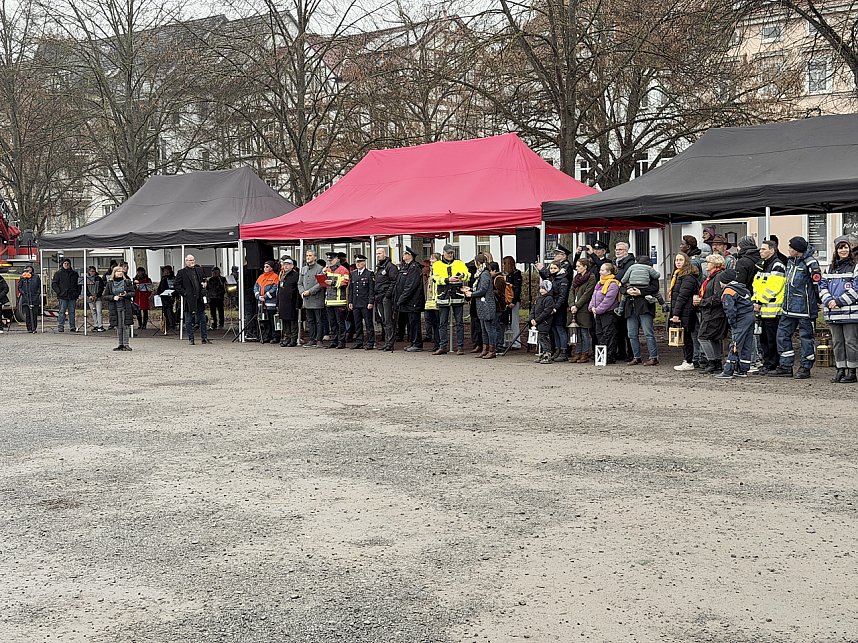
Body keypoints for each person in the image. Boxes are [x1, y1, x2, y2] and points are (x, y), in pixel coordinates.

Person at [770, 236, 821, 379]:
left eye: (791, 247)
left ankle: (805, 367)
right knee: (782, 335)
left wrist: (817, 301)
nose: (789, 249)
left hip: (805, 309)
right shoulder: (790, 261)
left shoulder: (811, 263)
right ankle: (786, 366)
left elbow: (817, 285)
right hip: (788, 308)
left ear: (797, 250)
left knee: (806, 338)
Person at [818, 236, 858, 383]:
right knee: (838, 342)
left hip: (850, 313)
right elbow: (822, 286)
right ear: (836, 250)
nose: (843, 250)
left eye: (846, 247)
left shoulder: (855, 266)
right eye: (841, 247)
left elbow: (856, 289)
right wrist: (829, 300)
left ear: (850, 248)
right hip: (833, 312)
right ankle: (840, 369)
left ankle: (852, 371)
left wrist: (839, 301)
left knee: (851, 342)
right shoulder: (829, 268)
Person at [751, 240, 786, 374]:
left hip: (772, 310)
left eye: (763, 249)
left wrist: (759, 301)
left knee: (772, 340)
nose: (760, 251)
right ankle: (767, 363)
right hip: (762, 309)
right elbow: (757, 285)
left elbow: (774, 288)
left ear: (772, 250)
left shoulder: (777, 265)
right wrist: (755, 301)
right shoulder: (763, 265)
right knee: (764, 339)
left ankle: (772, 364)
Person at [714, 269, 755, 379]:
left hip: (740, 319)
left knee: (735, 343)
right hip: (750, 317)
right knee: (746, 343)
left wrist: (732, 323)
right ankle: (743, 369)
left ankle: (728, 370)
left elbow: (730, 309)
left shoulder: (728, 291)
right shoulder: (743, 289)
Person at [432, 244, 469, 356]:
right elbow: (435, 278)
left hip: (457, 295)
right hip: (444, 296)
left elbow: (467, 275)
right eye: (448, 253)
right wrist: (447, 280)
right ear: (443, 253)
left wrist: (462, 275)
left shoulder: (459, 263)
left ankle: (460, 347)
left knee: (459, 323)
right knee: (442, 323)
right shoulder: (437, 264)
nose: (450, 255)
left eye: (451, 253)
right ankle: (443, 346)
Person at [622, 259, 660, 366]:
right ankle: (636, 357)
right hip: (630, 305)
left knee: (648, 333)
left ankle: (653, 357)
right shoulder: (630, 271)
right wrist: (626, 291)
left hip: (645, 305)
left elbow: (655, 288)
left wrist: (641, 292)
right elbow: (621, 285)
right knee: (632, 334)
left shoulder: (650, 273)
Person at [537, 245, 572, 360]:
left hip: (558, 307)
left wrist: (556, 307)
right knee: (554, 328)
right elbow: (547, 282)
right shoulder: (554, 277)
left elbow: (562, 296)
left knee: (560, 328)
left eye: (554, 269)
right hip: (552, 306)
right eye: (550, 268)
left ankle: (563, 351)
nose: (552, 271)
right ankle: (557, 349)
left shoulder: (563, 277)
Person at [696, 254, 728, 374]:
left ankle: (712, 361)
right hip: (710, 312)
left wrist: (702, 302)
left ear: (715, 264)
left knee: (703, 337)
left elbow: (718, 296)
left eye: (708, 262)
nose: (706, 264)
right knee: (713, 338)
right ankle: (716, 362)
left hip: (714, 313)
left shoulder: (718, 276)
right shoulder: (711, 276)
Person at [668, 252, 699, 371]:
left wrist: (676, 314)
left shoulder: (688, 277)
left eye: (681, 260)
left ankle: (689, 360)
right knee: (685, 336)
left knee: (687, 336)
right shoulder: (677, 275)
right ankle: (688, 359)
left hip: (686, 311)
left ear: (686, 261)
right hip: (681, 309)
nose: (678, 262)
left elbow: (682, 296)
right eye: (676, 260)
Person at [464, 253, 497, 359]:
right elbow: (480, 288)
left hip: (487, 305)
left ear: (477, 263)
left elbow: (483, 290)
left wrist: (472, 294)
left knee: (489, 329)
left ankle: (492, 350)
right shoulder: (481, 274)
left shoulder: (485, 274)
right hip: (482, 306)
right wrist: (470, 290)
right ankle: (485, 349)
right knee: (483, 328)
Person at [393, 246, 425, 351]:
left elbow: (410, 286)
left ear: (410, 255)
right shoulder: (405, 267)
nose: (403, 255)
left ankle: (417, 343)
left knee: (414, 322)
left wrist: (401, 298)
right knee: (410, 323)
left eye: (405, 254)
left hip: (413, 300)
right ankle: (413, 342)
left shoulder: (414, 268)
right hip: (407, 301)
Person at [174, 254, 211, 345]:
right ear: (186, 261)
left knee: (202, 318)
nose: (192, 262)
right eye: (190, 260)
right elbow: (176, 285)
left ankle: (204, 338)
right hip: (189, 299)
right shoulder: (181, 272)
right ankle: (191, 338)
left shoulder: (199, 270)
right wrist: (185, 293)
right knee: (188, 319)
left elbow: (203, 280)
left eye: (193, 260)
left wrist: (205, 284)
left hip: (199, 298)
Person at [589, 262, 621, 364]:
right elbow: (594, 296)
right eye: (600, 270)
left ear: (609, 272)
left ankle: (610, 355)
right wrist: (591, 307)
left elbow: (608, 300)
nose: (600, 272)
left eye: (603, 270)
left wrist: (598, 309)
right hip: (598, 312)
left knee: (609, 334)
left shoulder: (613, 284)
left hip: (608, 312)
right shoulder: (599, 283)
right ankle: (602, 355)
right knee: (599, 334)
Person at [568, 257, 596, 363]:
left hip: (583, 308)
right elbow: (571, 290)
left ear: (585, 267)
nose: (577, 268)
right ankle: (577, 352)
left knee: (584, 331)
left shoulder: (591, 277)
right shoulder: (576, 277)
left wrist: (577, 305)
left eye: (579, 266)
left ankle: (585, 353)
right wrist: (571, 304)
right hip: (574, 307)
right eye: (577, 266)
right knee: (577, 331)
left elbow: (587, 293)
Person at [322, 251, 350, 349]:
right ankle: (334, 341)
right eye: (329, 260)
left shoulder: (343, 270)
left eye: (331, 260)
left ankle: (341, 342)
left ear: (337, 259)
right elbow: (323, 282)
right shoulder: (328, 269)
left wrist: (333, 283)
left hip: (339, 301)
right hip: (329, 300)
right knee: (332, 323)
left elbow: (345, 283)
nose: (330, 262)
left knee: (340, 323)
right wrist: (323, 274)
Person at [103, 265, 134, 351]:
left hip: (125, 306)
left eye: (121, 271)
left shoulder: (127, 282)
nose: (120, 273)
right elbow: (105, 296)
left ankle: (126, 344)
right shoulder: (110, 283)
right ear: (114, 273)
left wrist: (126, 294)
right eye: (118, 271)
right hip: (115, 307)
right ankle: (120, 344)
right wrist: (113, 297)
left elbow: (133, 293)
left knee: (125, 326)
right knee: (118, 326)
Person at [348, 253, 375, 350]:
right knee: (357, 323)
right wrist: (350, 302)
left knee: (368, 323)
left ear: (364, 262)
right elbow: (351, 289)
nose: (358, 264)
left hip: (365, 302)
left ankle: (370, 342)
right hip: (356, 302)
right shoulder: (354, 274)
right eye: (357, 262)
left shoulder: (369, 274)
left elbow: (371, 289)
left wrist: (371, 301)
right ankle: (359, 341)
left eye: (360, 262)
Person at [374, 246, 399, 352]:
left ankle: (390, 343)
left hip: (386, 297)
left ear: (385, 254)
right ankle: (387, 342)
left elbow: (394, 282)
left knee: (388, 321)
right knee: (384, 320)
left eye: (380, 253)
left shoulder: (390, 267)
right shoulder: (380, 267)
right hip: (380, 296)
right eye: (377, 254)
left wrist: (388, 295)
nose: (378, 255)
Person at [613, 242, 634, 361]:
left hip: (626, 298)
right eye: (616, 249)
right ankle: (621, 352)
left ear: (626, 251)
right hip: (616, 297)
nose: (618, 251)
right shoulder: (615, 262)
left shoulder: (629, 263)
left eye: (620, 249)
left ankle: (631, 353)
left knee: (627, 329)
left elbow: (620, 276)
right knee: (618, 328)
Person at [299, 250, 325, 347]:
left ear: (315, 257)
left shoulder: (320, 269)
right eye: (307, 255)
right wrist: (302, 292)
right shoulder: (303, 269)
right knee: (310, 320)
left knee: (318, 320)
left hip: (317, 299)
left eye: (310, 255)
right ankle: (312, 338)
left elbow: (321, 283)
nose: (308, 257)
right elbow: (299, 283)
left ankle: (319, 339)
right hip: (306, 299)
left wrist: (310, 291)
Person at [253, 260, 279, 343]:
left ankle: (275, 336)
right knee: (264, 321)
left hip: (271, 302)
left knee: (272, 320)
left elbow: (275, 288)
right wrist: (258, 296)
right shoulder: (261, 277)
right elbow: (256, 287)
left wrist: (265, 296)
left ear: (271, 268)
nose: (265, 268)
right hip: (261, 303)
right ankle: (266, 336)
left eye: (267, 267)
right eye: (264, 266)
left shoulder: (275, 277)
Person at [52, 258, 80, 332]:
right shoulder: (58, 273)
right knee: (62, 312)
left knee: (72, 312)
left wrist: (77, 293)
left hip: (72, 296)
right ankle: (60, 326)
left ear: (70, 264)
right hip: (62, 296)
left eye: (68, 264)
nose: (66, 265)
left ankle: (72, 326)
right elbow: (54, 284)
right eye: (65, 263)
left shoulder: (75, 274)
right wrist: (59, 292)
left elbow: (79, 285)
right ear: (62, 264)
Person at [277, 256, 300, 347]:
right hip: (283, 302)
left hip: (292, 301)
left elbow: (297, 290)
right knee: (285, 321)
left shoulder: (295, 275)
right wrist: (277, 302)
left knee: (292, 321)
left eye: (288, 264)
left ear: (292, 266)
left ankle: (293, 339)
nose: (286, 266)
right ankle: (287, 337)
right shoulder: (282, 275)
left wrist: (298, 303)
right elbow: (279, 290)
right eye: (284, 264)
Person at [530, 280, 555, 364]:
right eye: (540, 288)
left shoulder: (549, 299)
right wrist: (531, 318)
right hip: (537, 321)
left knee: (543, 338)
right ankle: (544, 353)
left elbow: (546, 312)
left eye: (543, 288)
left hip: (544, 322)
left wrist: (537, 320)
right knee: (540, 338)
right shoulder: (538, 298)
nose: (541, 290)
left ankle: (547, 354)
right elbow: (533, 309)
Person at [501, 256, 522, 350]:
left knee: (514, 322)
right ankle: (507, 341)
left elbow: (517, 289)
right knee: (506, 321)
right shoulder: (504, 275)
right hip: (506, 301)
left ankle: (516, 342)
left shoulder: (516, 274)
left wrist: (513, 301)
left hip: (513, 301)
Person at [423, 254, 440, 352]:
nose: (430, 260)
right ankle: (436, 344)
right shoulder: (431, 270)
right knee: (433, 323)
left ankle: (439, 344)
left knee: (438, 324)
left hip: (436, 300)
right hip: (430, 301)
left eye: (433, 258)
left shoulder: (438, 270)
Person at [17, 265, 40, 333]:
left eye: (29, 269)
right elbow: (19, 286)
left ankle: (34, 328)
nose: (28, 270)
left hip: (34, 297)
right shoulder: (23, 277)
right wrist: (23, 293)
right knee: (28, 314)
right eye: (27, 269)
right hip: (26, 298)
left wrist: (37, 294)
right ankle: (29, 328)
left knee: (34, 314)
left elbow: (39, 286)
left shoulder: (36, 277)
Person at [156, 266, 177, 331]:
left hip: (169, 296)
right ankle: (167, 324)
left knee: (169, 310)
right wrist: (158, 293)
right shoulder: (163, 278)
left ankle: (171, 324)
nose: (164, 272)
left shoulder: (172, 278)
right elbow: (160, 288)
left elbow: (173, 287)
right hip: (163, 296)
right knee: (165, 311)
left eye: (165, 271)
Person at [85, 266, 105, 332]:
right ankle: (95, 325)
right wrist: (89, 295)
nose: (92, 272)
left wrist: (97, 295)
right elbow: (86, 289)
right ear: (89, 272)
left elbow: (101, 288)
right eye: (91, 271)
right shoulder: (86, 279)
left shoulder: (99, 278)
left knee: (99, 311)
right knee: (93, 312)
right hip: (90, 298)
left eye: (93, 271)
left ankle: (100, 325)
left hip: (98, 297)